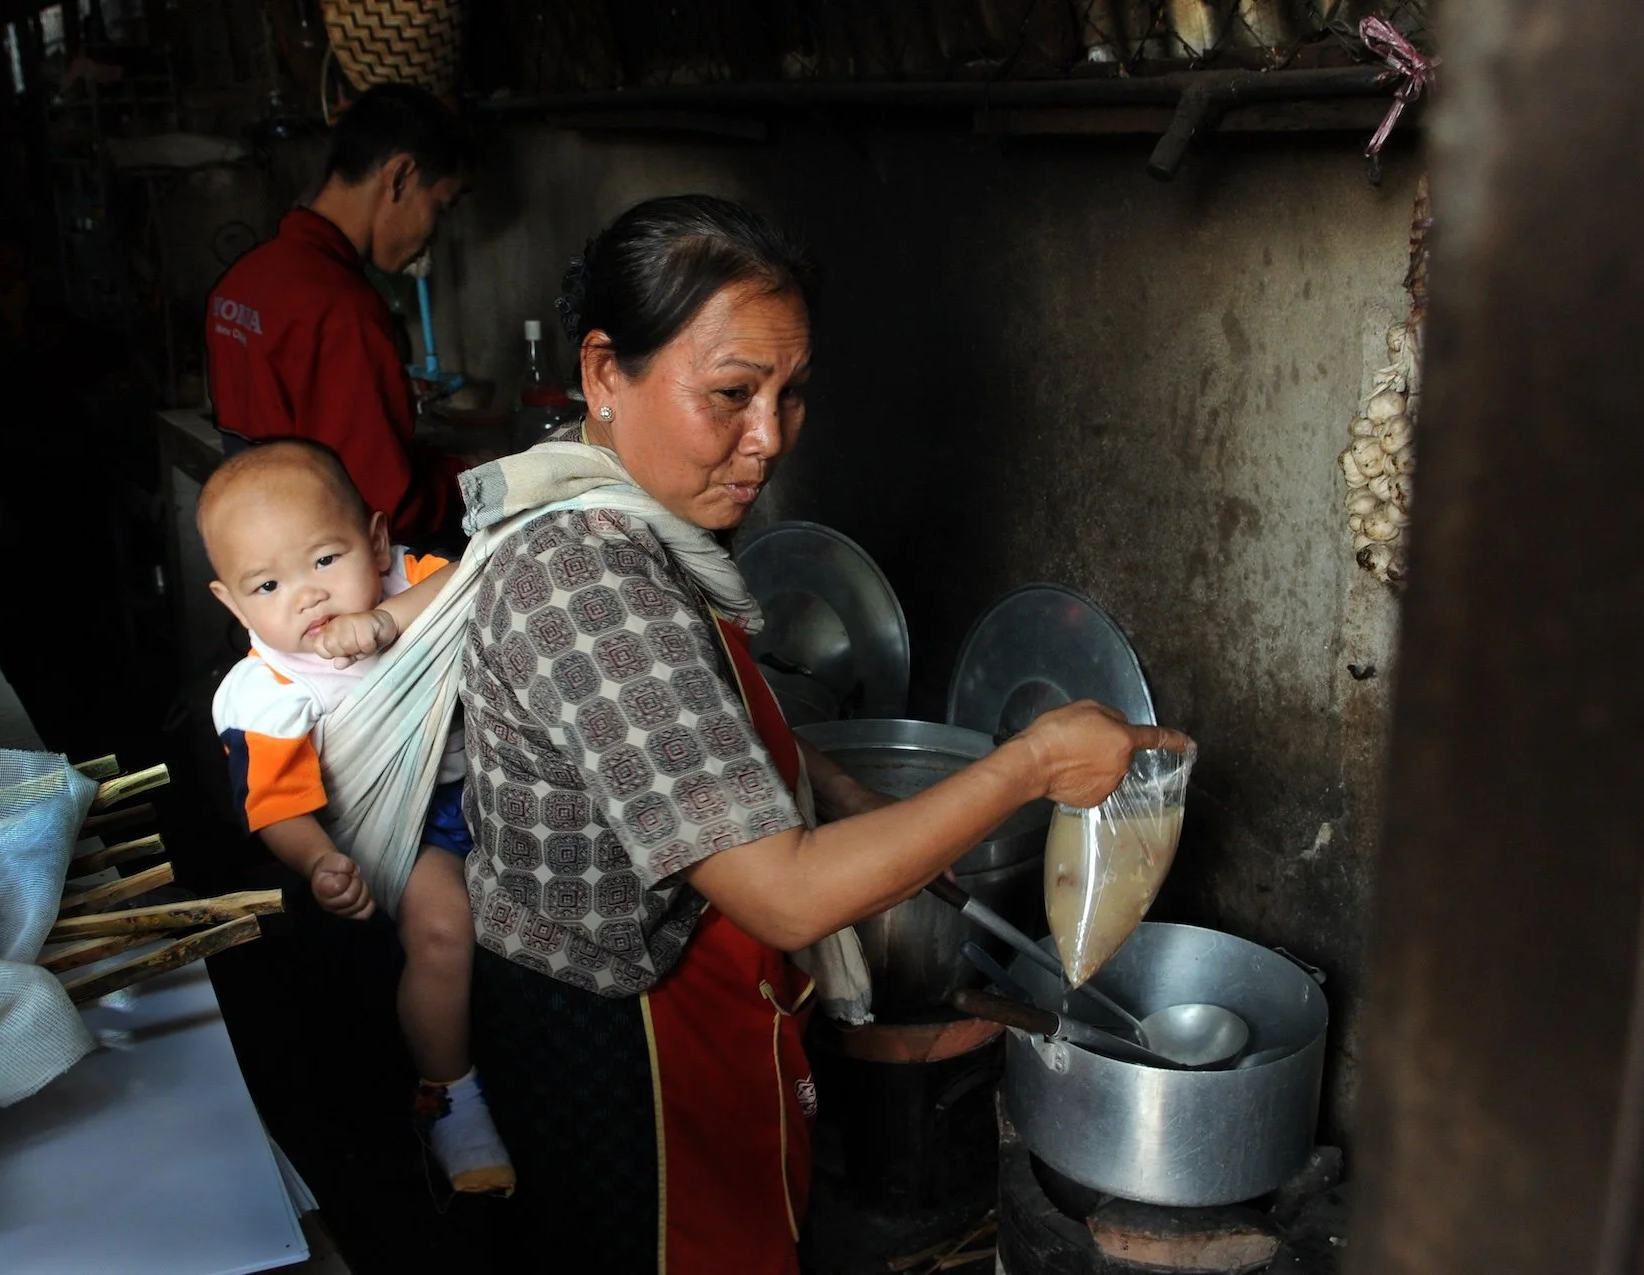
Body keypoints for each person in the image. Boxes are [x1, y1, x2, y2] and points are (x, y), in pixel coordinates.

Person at [444, 195, 1193, 1272]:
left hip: (673, 1000)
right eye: (731, 395)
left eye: (792, 395)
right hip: (618, 1038)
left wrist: (857, 805)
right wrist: (1027, 765)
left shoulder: (639, 517)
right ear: (605, 372)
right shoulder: (591, 578)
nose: (769, 440)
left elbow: (696, 729)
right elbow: (785, 893)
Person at [198, 439, 513, 1196]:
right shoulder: (269, 688)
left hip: (496, 783)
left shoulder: (410, 580)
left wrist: (388, 620)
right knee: (445, 927)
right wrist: (316, 861)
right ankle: (448, 1096)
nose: (306, 596)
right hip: (391, 830)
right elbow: (279, 805)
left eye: (325, 560)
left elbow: (486, 574)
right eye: (268, 584)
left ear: (376, 542)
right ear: (232, 604)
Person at [204, 83, 470, 548]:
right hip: (335, 567)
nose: (433, 234)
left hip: (265, 554)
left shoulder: (241, 281)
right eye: (439, 207)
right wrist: (471, 474)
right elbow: (391, 507)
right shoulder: (343, 308)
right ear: (400, 177)